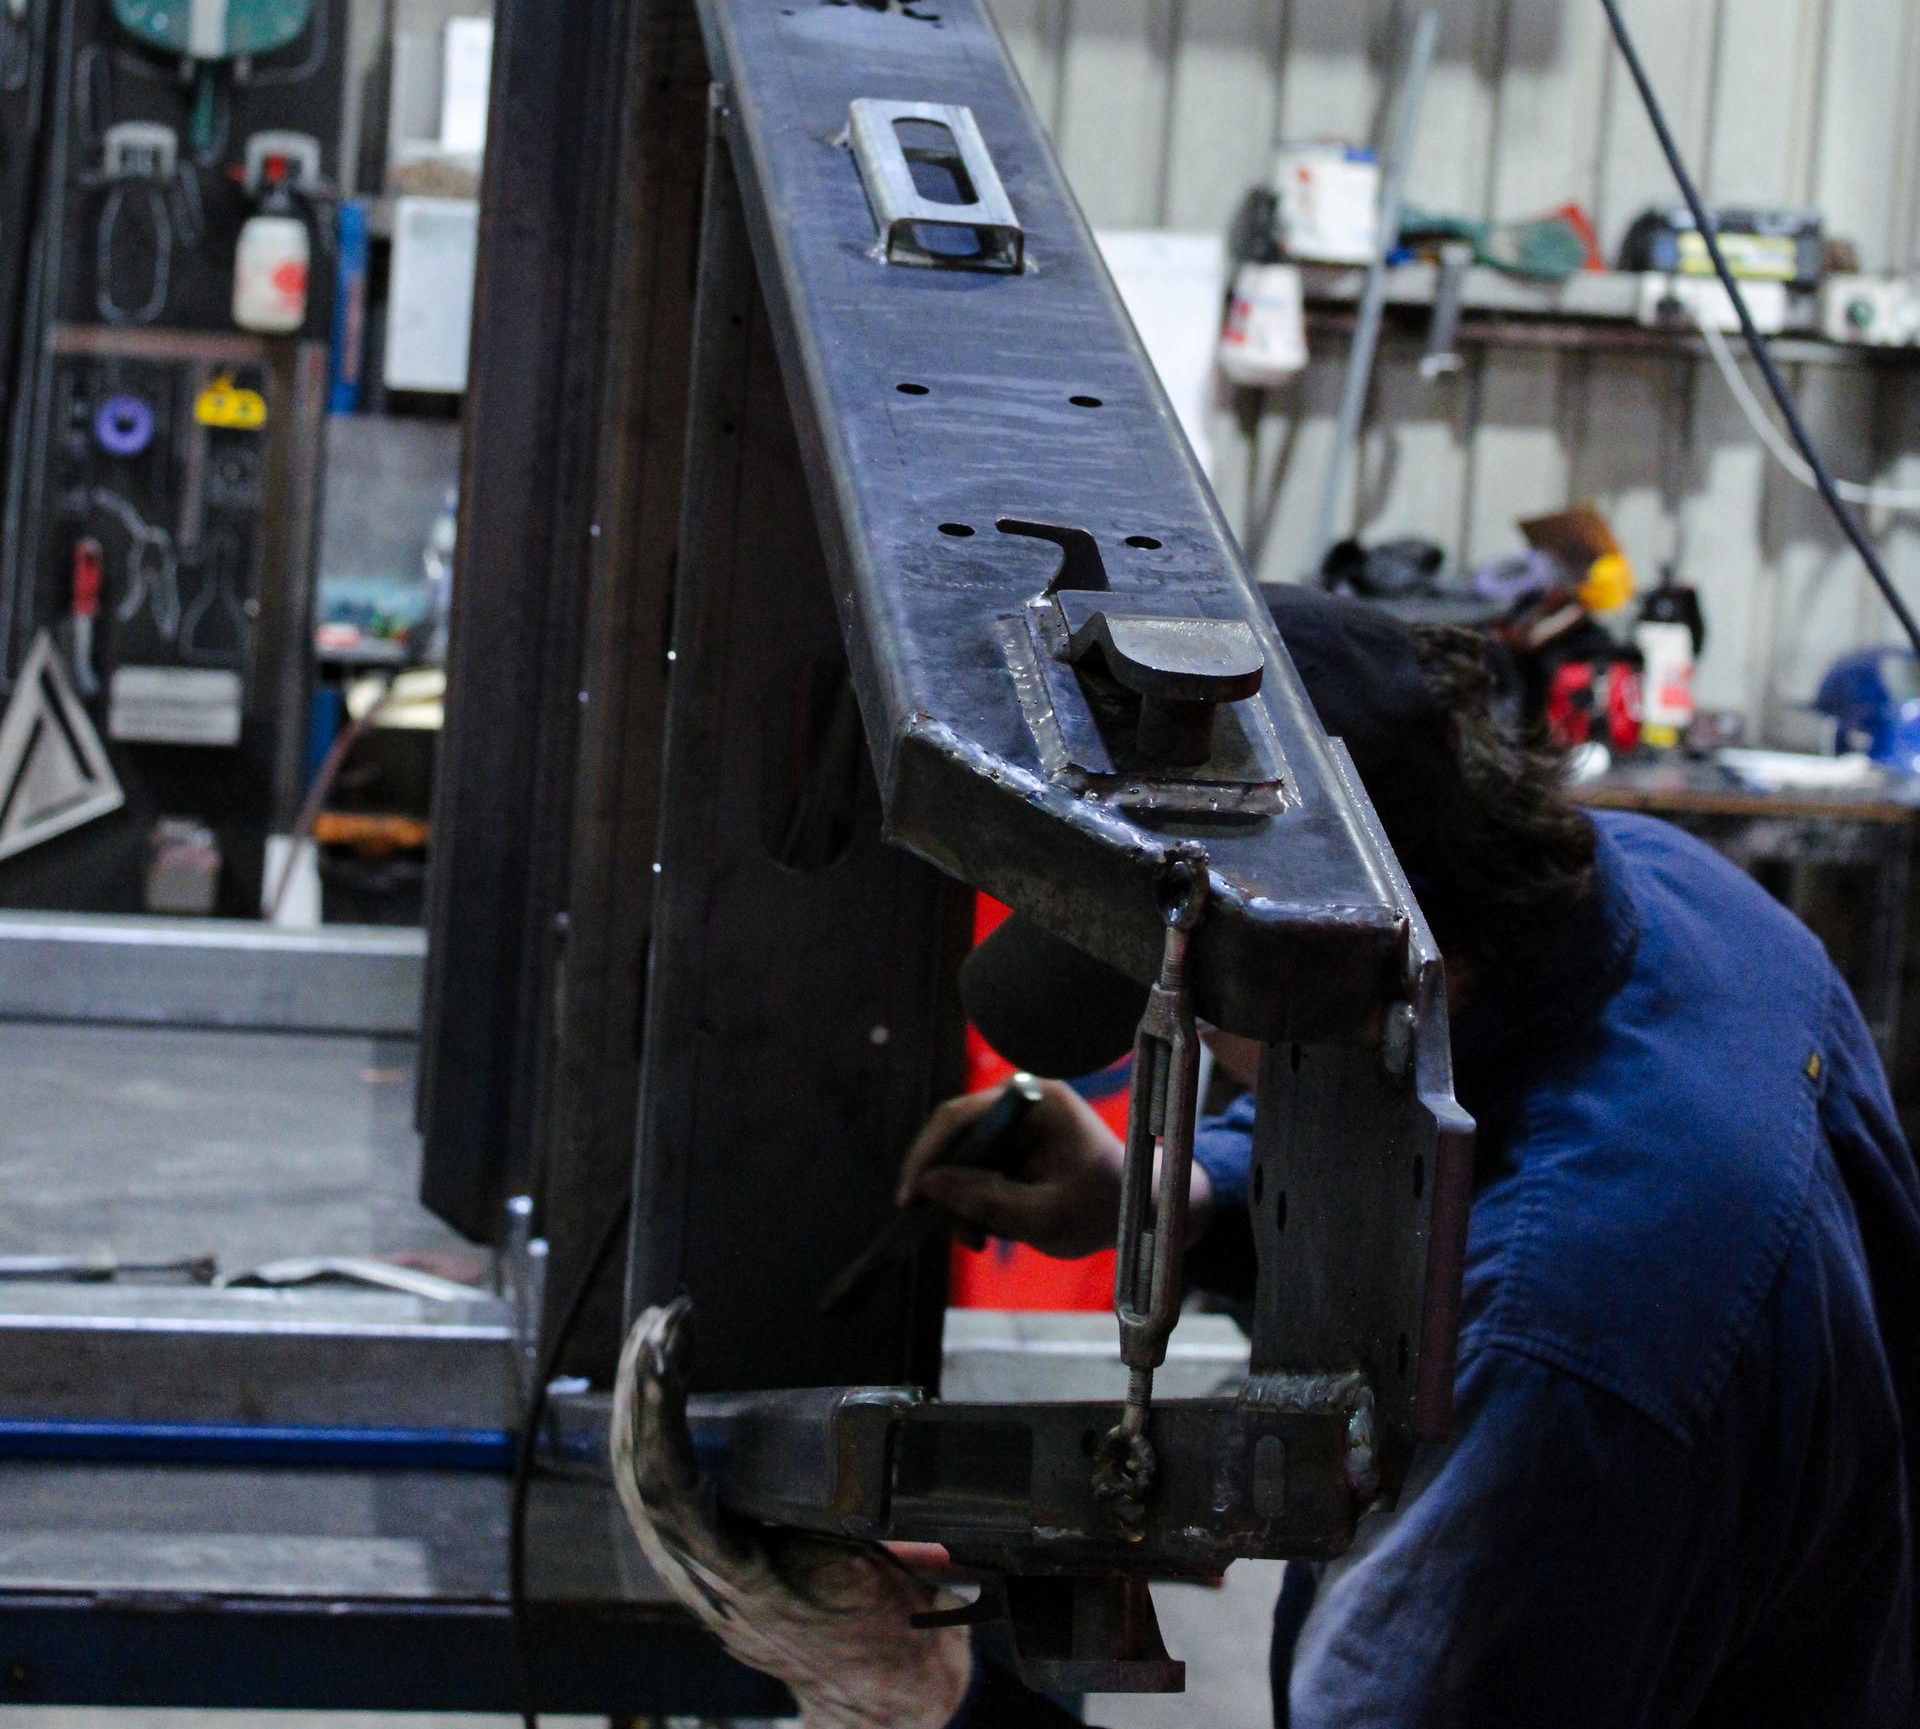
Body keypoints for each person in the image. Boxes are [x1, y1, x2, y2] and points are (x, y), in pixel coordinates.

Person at [615, 587, 1920, 1728]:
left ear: (1332, 954)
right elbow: (1443, 1113)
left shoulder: (1550, 1363)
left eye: (1193, 1010)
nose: (1183, 1042)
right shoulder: (1673, 891)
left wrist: (927, 1697)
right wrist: (1190, 1193)